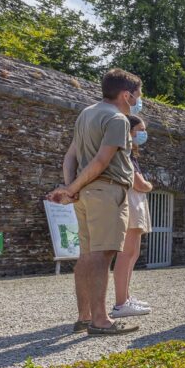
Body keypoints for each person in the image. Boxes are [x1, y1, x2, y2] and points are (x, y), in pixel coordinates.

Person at [48, 68, 142, 335]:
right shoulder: (118, 119)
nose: (138, 99)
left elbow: (70, 157)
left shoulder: (86, 113)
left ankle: (84, 317)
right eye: (137, 95)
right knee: (103, 256)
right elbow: (102, 162)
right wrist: (72, 188)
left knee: (86, 256)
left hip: (86, 194)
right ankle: (101, 320)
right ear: (126, 94)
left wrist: (71, 188)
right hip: (106, 191)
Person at [110, 114, 154, 318]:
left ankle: (125, 297)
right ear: (130, 131)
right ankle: (120, 303)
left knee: (132, 253)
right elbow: (139, 183)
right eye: (141, 129)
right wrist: (148, 185)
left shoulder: (130, 153)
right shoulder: (125, 151)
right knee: (126, 254)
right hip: (131, 200)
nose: (143, 133)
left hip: (135, 201)